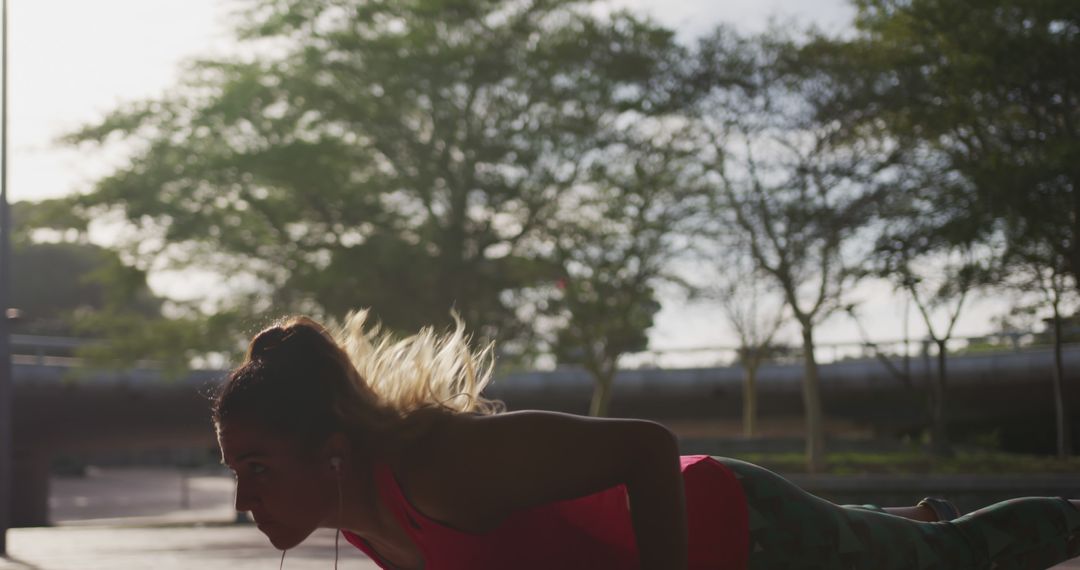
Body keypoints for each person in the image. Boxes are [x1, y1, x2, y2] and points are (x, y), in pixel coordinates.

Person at [213, 311, 1080, 570]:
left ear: (331, 451)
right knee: (887, 539)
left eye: (257, 469)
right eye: (233, 473)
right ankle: (905, 516)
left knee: (953, 562)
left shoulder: (444, 467)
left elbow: (645, 448)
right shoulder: (364, 521)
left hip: (736, 531)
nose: (243, 500)